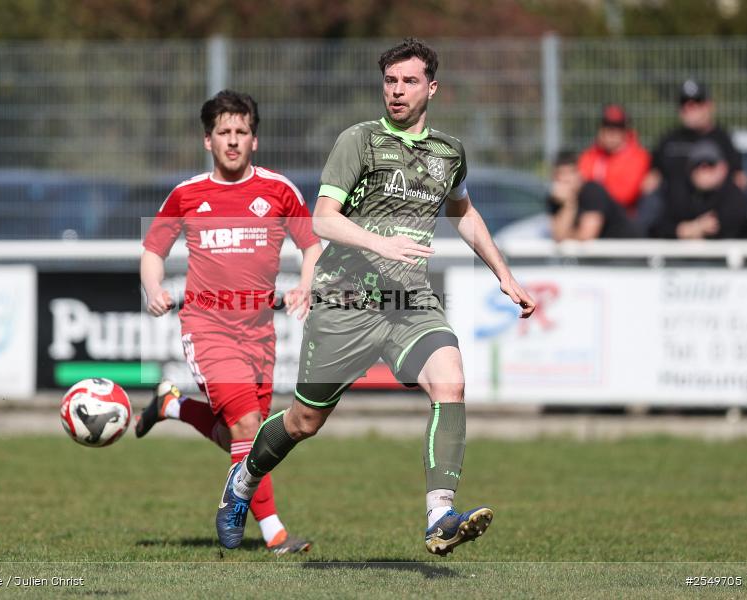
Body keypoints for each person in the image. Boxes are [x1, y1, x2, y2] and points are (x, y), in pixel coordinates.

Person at [214, 38, 536, 556]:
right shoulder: (359, 141)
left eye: (409, 81)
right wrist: (379, 241)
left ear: (432, 87)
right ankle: (242, 482)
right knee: (303, 421)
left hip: (409, 302)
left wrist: (504, 273)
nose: (397, 91)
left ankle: (439, 516)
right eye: (390, 81)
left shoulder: (449, 152)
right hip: (345, 301)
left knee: (449, 380)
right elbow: (323, 217)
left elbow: (464, 212)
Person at [139, 90, 323, 554]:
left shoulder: (279, 190)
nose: (234, 141)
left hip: (259, 330)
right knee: (248, 423)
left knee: (244, 434)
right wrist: (154, 289)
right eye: (224, 132)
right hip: (206, 326)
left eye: (242, 132)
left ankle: (172, 406)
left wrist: (305, 285)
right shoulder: (187, 194)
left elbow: (312, 247)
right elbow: (152, 251)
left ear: (254, 141)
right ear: (208, 140)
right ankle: (272, 531)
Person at [644, 79, 747, 207]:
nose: (690, 108)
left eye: (697, 102)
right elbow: (651, 180)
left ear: (709, 105)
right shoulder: (669, 141)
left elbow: (739, 182)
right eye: (684, 102)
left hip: (712, 219)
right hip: (673, 220)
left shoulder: (722, 140)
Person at [652, 140, 747, 240]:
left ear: (723, 168)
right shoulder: (679, 192)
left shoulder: (734, 194)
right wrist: (689, 229)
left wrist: (694, 230)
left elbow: (728, 227)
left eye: (710, 164)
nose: (703, 170)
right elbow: (658, 226)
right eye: (697, 164)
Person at [548, 150, 641, 241]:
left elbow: (586, 236)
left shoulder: (593, 191)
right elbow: (558, 236)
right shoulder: (557, 198)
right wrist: (568, 205)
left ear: (580, 173)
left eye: (571, 172)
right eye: (561, 174)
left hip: (629, 250)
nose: (566, 179)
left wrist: (565, 234)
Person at [577, 104, 650, 214]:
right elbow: (578, 184)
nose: (611, 133)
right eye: (607, 126)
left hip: (623, 217)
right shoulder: (590, 155)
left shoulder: (639, 157)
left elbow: (624, 195)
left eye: (617, 128)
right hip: (591, 214)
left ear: (625, 130)